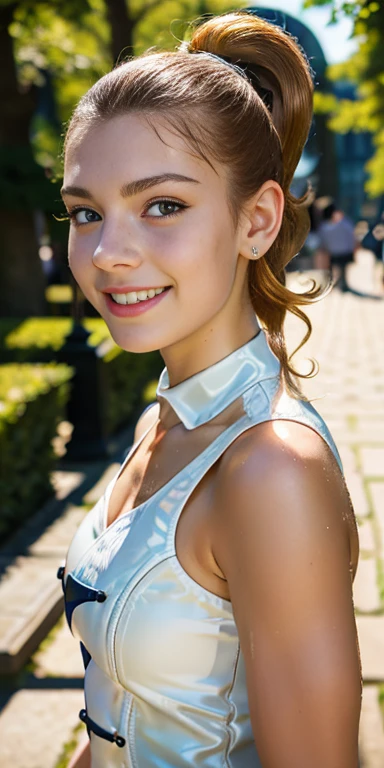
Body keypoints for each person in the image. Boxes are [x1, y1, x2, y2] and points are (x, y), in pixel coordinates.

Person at [58, 11, 362, 768]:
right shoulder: (158, 423)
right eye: (86, 212)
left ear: (256, 219)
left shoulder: (271, 468)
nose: (109, 253)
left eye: (162, 205)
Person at [316, 200, 357, 292]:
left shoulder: (323, 227)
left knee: (331, 268)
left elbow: (323, 242)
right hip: (345, 252)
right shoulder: (345, 223)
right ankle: (343, 284)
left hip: (333, 253)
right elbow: (352, 236)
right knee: (342, 268)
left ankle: (332, 283)